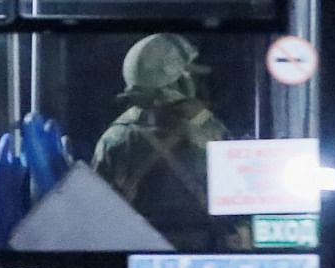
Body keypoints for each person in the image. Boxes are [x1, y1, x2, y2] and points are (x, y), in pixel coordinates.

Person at [92, 34, 241, 251]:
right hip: (203, 250)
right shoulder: (208, 128)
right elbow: (238, 193)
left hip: (138, 249)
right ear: (177, 78)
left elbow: (98, 211)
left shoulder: (114, 137)